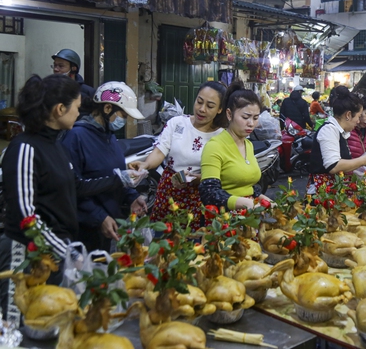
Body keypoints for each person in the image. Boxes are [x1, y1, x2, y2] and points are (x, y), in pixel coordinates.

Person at [0, 75, 137, 320]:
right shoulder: (24, 148)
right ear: (59, 109)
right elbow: (26, 217)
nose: (78, 112)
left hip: (54, 251)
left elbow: (77, 186)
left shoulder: (57, 147)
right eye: (75, 107)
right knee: (18, 321)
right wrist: (68, 251)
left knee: (48, 320)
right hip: (25, 255)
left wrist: (121, 179)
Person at [61, 82, 147, 252]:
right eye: (123, 115)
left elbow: (116, 175)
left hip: (107, 227)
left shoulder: (109, 136)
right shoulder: (76, 137)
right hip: (84, 230)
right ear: (107, 108)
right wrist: (99, 217)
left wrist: (132, 197)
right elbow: (73, 188)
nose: (124, 120)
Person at [129, 82, 227, 228]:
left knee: (191, 241)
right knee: (163, 238)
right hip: (168, 191)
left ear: (220, 109)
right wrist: (145, 165)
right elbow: (159, 151)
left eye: (210, 106)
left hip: (199, 196)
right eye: (199, 102)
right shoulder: (177, 123)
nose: (202, 109)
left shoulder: (222, 137)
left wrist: (195, 179)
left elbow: (222, 174)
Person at [199, 82, 274, 209]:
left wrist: (266, 201)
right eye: (245, 117)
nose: (251, 123)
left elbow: (247, 187)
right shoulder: (214, 146)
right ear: (229, 114)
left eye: (255, 118)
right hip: (226, 219)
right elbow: (209, 193)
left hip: (249, 215)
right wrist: (247, 203)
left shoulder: (248, 145)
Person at [308, 86, 366, 193]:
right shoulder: (329, 130)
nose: (358, 121)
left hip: (333, 189)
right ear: (348, 115)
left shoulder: (339, 131)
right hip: (323, 192)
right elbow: (333, 166)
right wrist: (363, 160)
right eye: (358, 117)